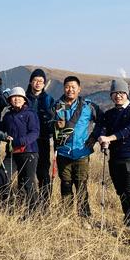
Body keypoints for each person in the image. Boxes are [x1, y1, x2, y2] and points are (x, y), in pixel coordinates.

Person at [92, 78, 130, 237]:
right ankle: (129, 222)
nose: (118, 96)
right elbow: (102, 129)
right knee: (121, 192)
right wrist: (102, 139)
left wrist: (111, 138)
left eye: (121, 93)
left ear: (127, 94)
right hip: (114, 158)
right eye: (115, 93)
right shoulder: (109, 114)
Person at [52, 76, 101, 224]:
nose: (70, 89)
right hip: (63, 151)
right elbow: (48, 125)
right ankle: (66, 216)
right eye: (67, 86)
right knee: (65, 184)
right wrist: (55, 125)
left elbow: (102, 122)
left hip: (81, 152)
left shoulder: (88, 106)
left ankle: (84, 217)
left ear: (79, 89)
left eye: (73, 87)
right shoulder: (56, 106)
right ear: (63, 88)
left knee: (81, 185)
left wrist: (93, 137)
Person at [1, 87, 40, 215]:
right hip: (12, 154)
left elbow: (35, 133)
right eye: (14, 97)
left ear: (24, 100)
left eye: (19, 97)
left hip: (29, 152)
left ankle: (33, 213)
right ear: (10, 100)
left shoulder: (30, 114)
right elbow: (0, 129)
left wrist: (19, 141)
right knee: (2, 175)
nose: (16, 99)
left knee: (28, 184)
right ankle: (8, 206)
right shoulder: (7, 116)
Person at [25, 69, 55, 209]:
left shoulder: (49, 99)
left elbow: (55, 119)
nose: (38, 83)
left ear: (44, 84)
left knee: (43, 171)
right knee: (26, 172)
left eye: (41, 81)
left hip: (42, 140)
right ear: (30, 81)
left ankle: (44, 204)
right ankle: (28, 202)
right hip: (26, 141)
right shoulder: (23, 97)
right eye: (35, 80)